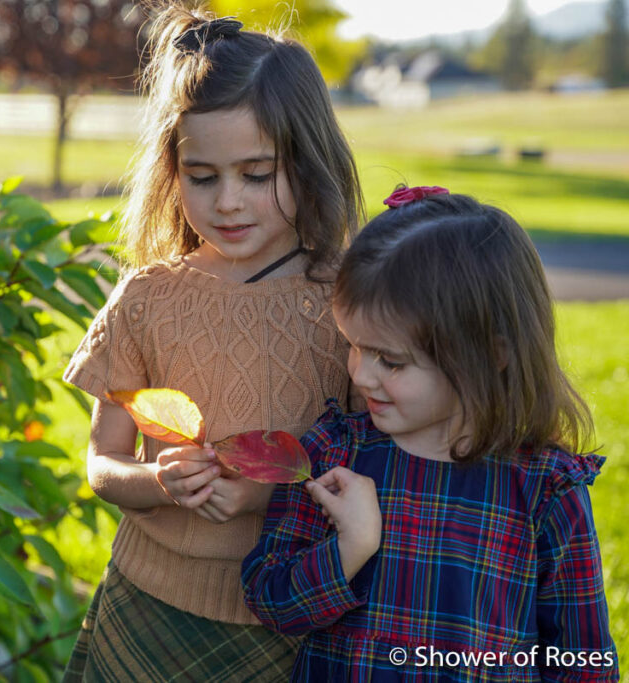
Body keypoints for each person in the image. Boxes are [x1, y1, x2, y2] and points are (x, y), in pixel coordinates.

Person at [60, 2, 363, 680]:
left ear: (308, 161)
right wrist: (159, 482)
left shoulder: (350, 302)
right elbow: (102, 462)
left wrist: (264, 495)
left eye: (257, 174)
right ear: (173, 170)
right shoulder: (146, 297)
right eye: (204, 177)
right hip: (147, 604)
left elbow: (375, 464)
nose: (228, 201)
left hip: (287, 613)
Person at [242, 187, 619, 682]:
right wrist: (349, 546)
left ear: (490, 354)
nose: (361, 375)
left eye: (391, 361)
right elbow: (269, 600)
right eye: (354, 346)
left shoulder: (545, 491)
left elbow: (583, 660)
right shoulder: (336, 454)